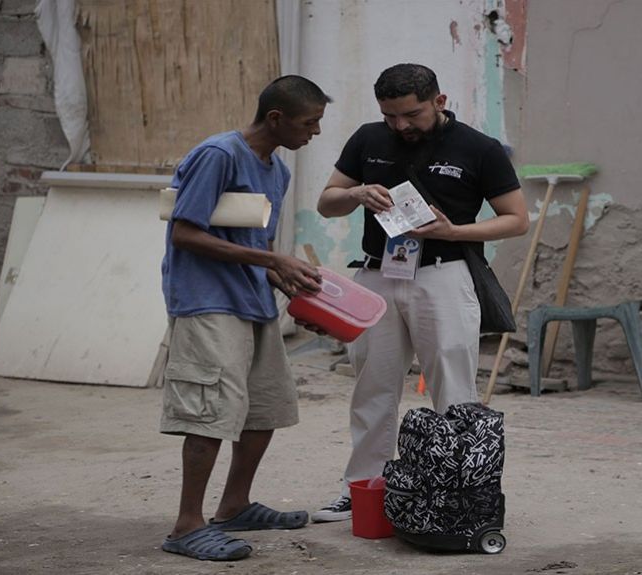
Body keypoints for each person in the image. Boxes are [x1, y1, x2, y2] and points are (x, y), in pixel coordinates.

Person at [313, 63, 528, 522]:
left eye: (411, 115)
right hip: (377, 275)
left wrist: (455, 232)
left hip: (444, 273)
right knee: (372, 386)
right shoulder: (367, 139)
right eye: (390, 116)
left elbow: (516, 219)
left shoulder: (478, 148)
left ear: (439, 101)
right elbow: (326, 201)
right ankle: (363, 489)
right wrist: (355, 195)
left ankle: (457, 496)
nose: (400, 125)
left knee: (454, 387)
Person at [158, 75, 330, 561]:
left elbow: (258, 247)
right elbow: (185, 234)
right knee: (211, 413)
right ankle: (187, 525)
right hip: (206, 302)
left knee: (263, 409)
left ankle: (234, 505)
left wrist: (299, 294)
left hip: (253, 300)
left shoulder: (276, 170)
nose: (314, 133)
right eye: (308, 123)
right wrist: (273, 263)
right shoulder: (218, 155)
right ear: (276, 118)